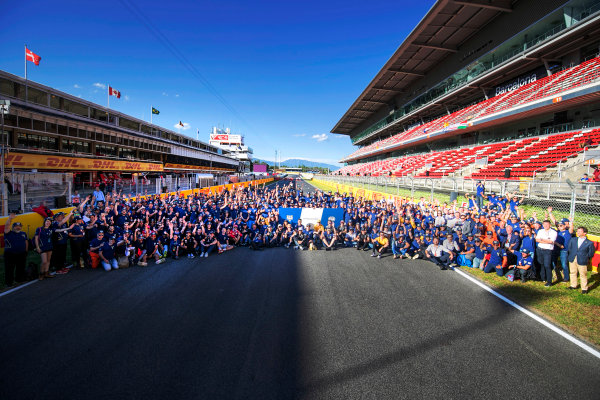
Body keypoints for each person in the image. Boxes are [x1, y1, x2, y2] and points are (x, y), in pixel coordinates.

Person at [567, 226, 595, 294]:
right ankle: (573, 285)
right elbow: (569, 248)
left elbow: (591, 253)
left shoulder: (589, 243)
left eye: (580, 231)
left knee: (583, 274)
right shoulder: (573, 239)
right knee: (573, 272)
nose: (578, 232)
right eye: (577, 231)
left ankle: (584, 288)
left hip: (582, 259)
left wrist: (585, 257)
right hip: (573, 258)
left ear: (585, 233)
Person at [4, 213, 29, 286]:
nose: (18, 228)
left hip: (21, 253)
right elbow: (6, 226)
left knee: (20, 267)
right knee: (9, 269)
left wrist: (26, 251)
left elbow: (26, 241)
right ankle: (9, 282)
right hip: (10, 254)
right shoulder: (8, 233)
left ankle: (19, 279)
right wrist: (10, 218)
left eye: (19, 226)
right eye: (16, 226)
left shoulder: (23, 233)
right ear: (13, 227)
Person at [536, 219, 557, 287]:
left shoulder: (553, 232)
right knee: (541, 263)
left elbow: (551, 241)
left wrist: (542, 239)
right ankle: (542, 277)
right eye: (544, 224)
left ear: (550, 225)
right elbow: (537, 239)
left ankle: (549, 281)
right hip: (540, 249)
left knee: (547, 265)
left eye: (547, 224)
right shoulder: (540, 231)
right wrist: (546, 240)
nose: (545, 226)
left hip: (547, 251)